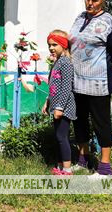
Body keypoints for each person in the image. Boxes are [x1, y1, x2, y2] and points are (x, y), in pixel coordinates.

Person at [69, 0, 112, 176]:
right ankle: (83, 159)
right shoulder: (80, 18)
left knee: (101, 123)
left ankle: (104, 168)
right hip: (77, 81)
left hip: (99, 84)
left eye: (94, 0)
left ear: (102, 1)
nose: (90, 3)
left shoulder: (108, 22)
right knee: (79, 121)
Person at [41, 29, 76, 176]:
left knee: (62, 137)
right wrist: (47, 101)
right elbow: (54, 85)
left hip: (65, 107)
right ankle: (61, 166)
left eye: (54, 44)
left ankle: (67, 170)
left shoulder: (66, 63)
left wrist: (60, 107)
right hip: (56, 106)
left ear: (63, 45)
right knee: (59, 137)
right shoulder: (57, 62)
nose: (51, 48)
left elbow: (67, 87)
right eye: (49, 45)